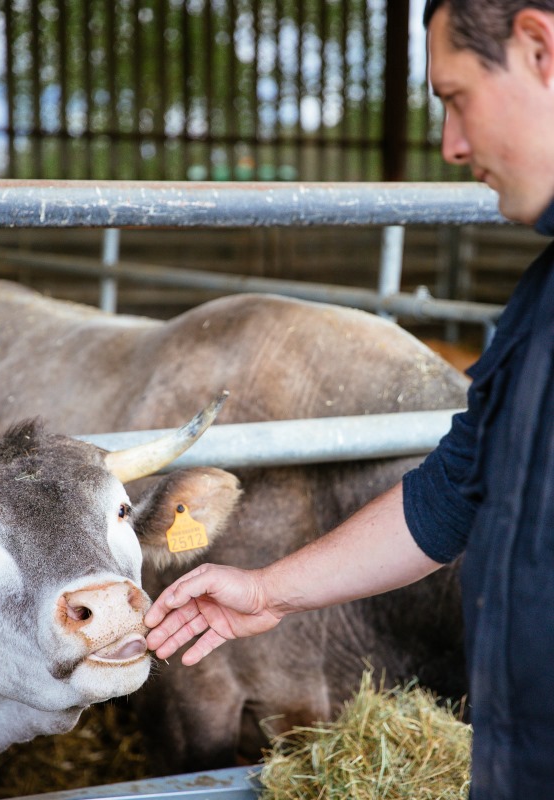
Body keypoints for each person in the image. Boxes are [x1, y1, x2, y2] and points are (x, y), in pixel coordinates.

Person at [145, 2, 554, 797]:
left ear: (540, 48)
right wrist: (266, 591)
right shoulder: (539, 304)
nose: (452, 146)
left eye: (456, 97)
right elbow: (451, 496)